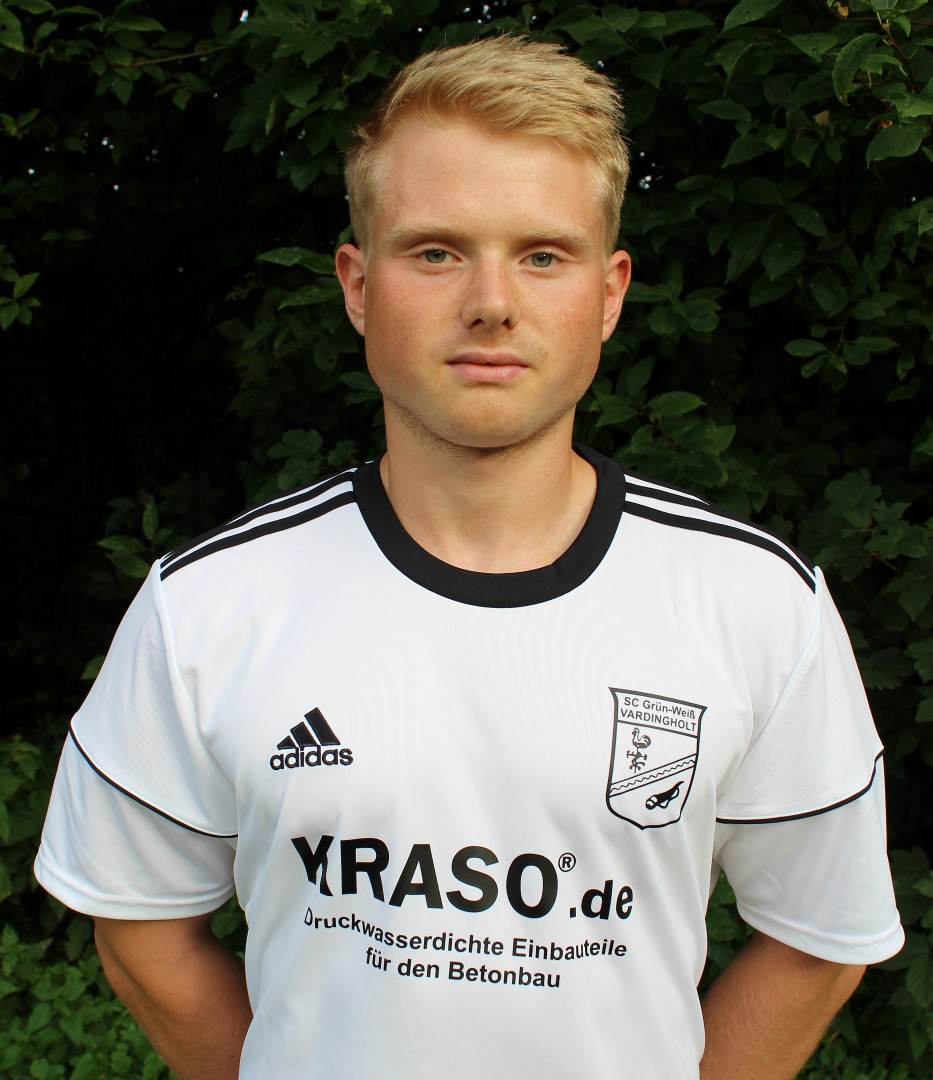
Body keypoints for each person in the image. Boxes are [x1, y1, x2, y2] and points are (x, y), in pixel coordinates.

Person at [35, 35, 903, 1080]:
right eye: (436, 252)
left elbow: (819, 938)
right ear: (358, 285)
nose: (492, 300)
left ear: (610, 293)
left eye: (543, 255)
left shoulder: (755, 603)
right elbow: (140, 926)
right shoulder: (209, 605)